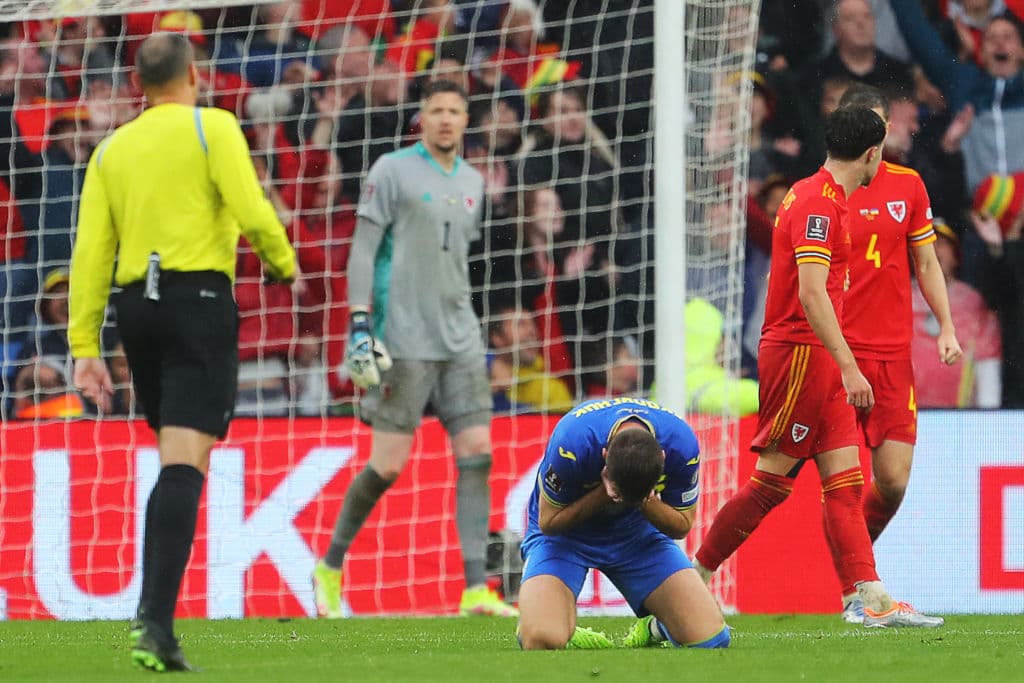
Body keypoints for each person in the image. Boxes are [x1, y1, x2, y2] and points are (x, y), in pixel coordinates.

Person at [68, 32, 298, 671]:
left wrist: (85, 344)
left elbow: (91, 251)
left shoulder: (112, 149)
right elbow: (251, 207)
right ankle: (154, 626)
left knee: (178, 458)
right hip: (197, 302)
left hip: (136, 312)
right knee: (184, 462)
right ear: (194, 76)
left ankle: (156, 624)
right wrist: (283, 263)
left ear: (138, 85)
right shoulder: (212, 127)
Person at [693, 106, 943, 628]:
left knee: (845, 484)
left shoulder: (818, 195)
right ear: (871, 154)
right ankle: (690, 581)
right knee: (770, 485)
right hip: (801, 354)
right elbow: (811, 294)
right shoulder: (818, 206)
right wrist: (850, 366)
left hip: (820, 355)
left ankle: (868, 599)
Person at [311, 80, 516, 619]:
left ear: (467, 121)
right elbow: (363, 249)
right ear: (421, 118)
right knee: (387, 465)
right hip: (403, 337)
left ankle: (476, 590)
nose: (445, 119)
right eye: (436, 110)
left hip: (460, 337)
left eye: (454, 111)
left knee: (478, 452)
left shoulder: (473, 181)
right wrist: (360, 321)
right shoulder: (392, 171)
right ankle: (328, 567)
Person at [829, 84, 963, 623]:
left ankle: (856, 578)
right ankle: (857, 591)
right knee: (820, 481)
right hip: (838, 354)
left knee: (893, 481)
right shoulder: (824, 190)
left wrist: (946, 326)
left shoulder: (907, 185)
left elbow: (926, 262)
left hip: (892, 355)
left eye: (878, 125)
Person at [517, 398, 729, 650]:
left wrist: (641, 501)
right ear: (604, 457)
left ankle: (656, 627)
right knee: (542, 638)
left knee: (711, 639)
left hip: (636, 535)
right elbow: (548, 522)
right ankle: (553, 623)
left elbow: (682, 525)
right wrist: (605, 494)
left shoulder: (681, 445)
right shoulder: (572, 441)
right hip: (564, 539)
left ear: (662, 458)